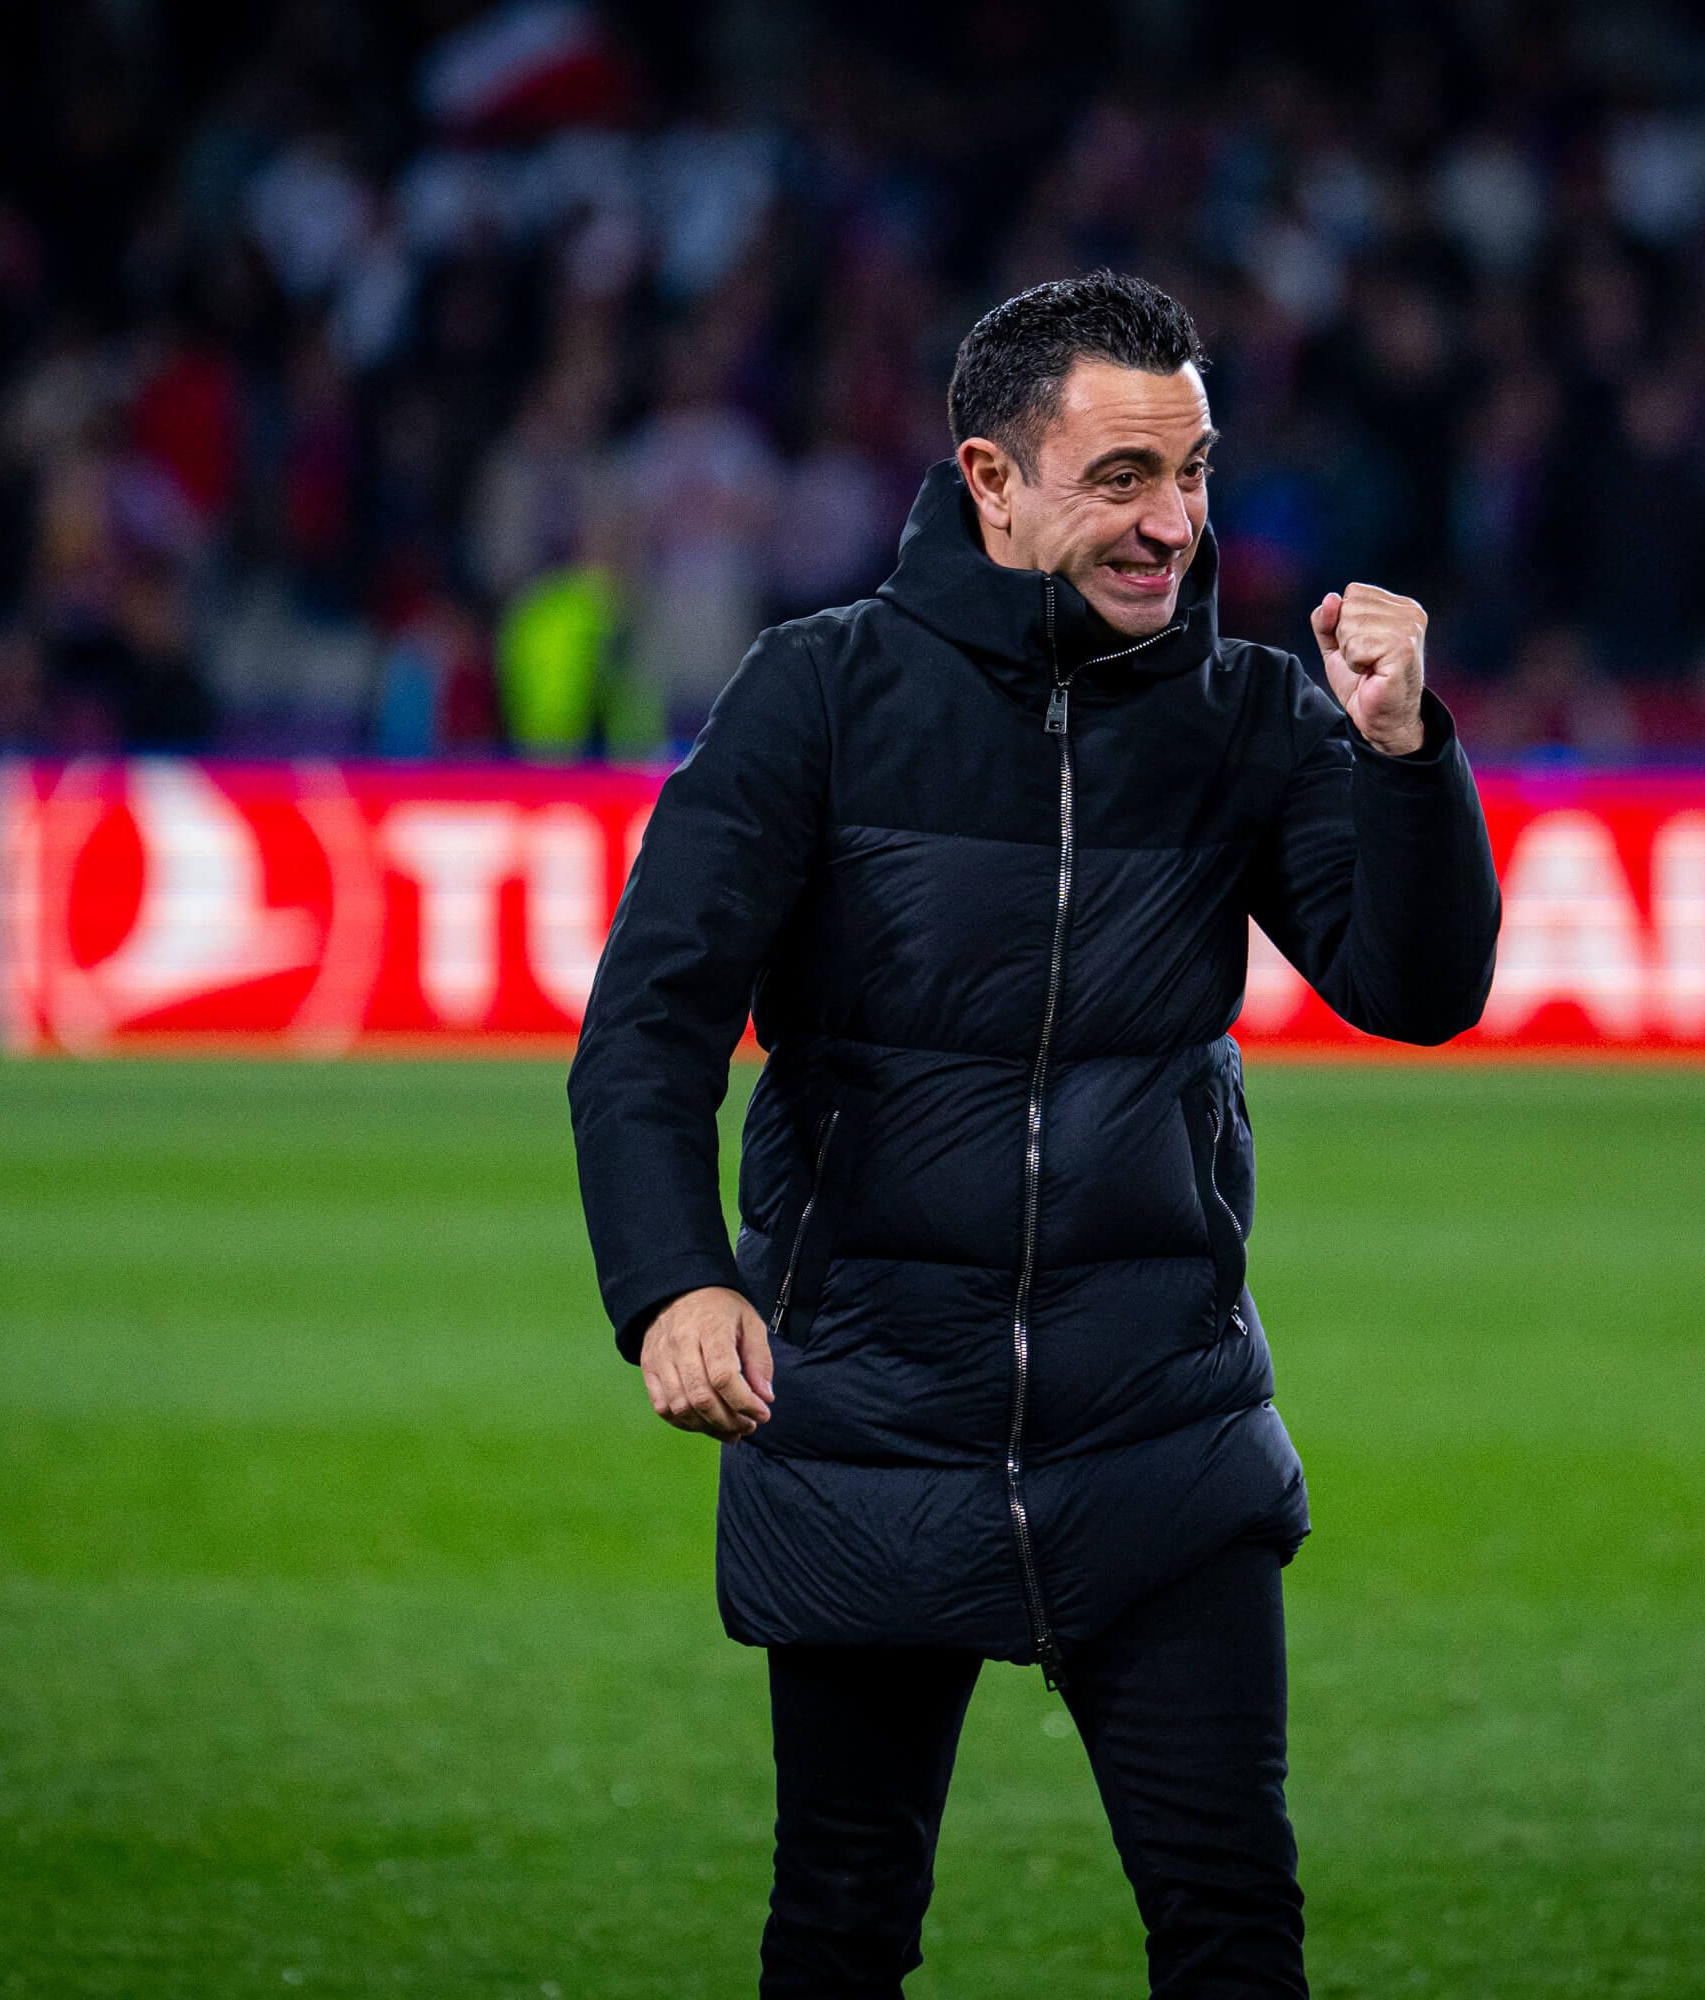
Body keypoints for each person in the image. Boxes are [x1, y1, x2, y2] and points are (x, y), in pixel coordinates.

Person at [567, 271, 1501, 1997]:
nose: (1177, 526)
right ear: (993, 481)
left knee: (1234, 1935)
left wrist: (1402, 755)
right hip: (867, 1419)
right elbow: (647, 1030)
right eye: (1127, 478)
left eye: (1198, 472)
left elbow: (1418, 987)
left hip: (1162, 1429)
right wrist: (671, 1282)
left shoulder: (1244, 715)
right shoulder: (819, 697)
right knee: (842, 1932)